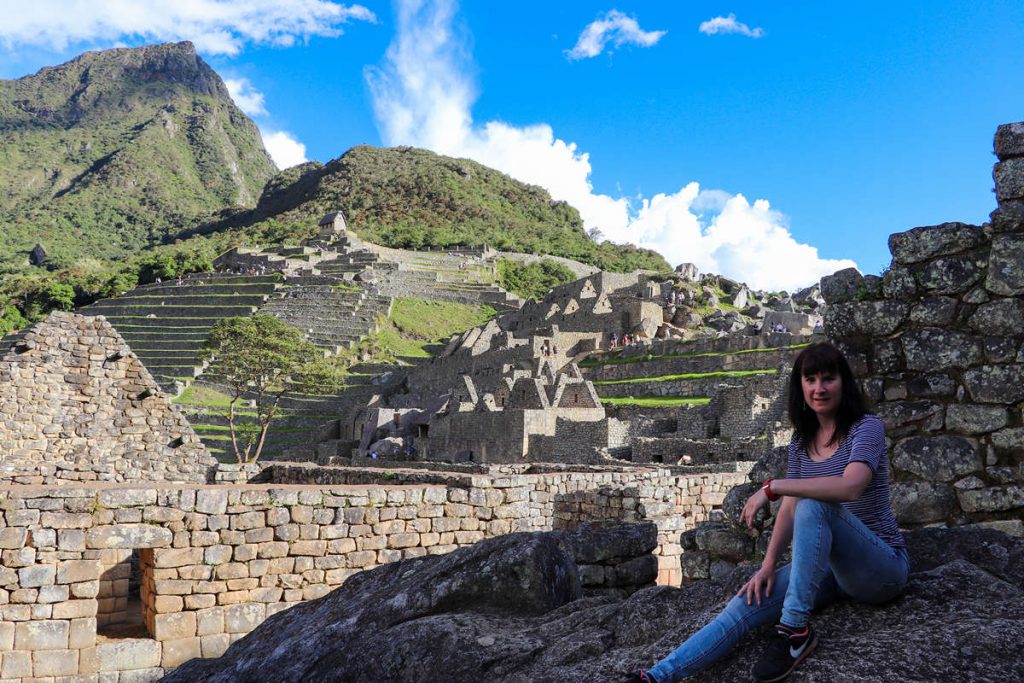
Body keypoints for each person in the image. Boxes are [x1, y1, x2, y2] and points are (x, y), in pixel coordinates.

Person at [628, 342, 908, 683]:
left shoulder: (867, 427)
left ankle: (793, 631)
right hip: (833, 571)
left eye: (828, 379)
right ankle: (657, 676)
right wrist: (767, 565)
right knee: (744, 603)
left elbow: (850, 487)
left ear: (843, 383)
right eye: (810, 379)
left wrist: (773, 487)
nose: (819, 388)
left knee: (816, 505)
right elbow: (789, 506)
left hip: (881, 568)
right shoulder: (801, 442)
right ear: (800, 386)